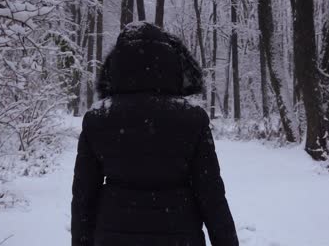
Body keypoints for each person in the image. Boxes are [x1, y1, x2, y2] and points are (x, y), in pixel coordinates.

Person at [71, 22, 239, 246]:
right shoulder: (191, 118)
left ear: (118, 65)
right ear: (169, 64)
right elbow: (211, 195)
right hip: (179, 236)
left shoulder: (99, 118)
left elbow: (84, 198)